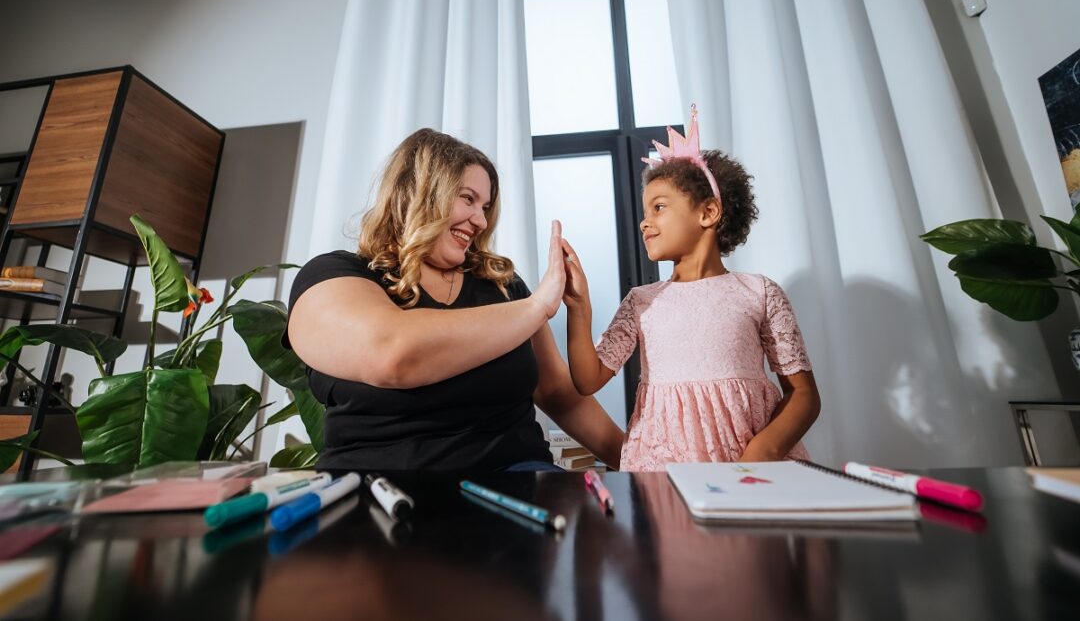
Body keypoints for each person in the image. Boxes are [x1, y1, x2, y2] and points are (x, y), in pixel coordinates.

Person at [286, 128, 623, 471]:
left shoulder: (505, 287)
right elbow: (392, 353)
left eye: (486, 206)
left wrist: (640, 462)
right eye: (467, 199)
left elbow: (559, 395)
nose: (480, 221)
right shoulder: (334, 275)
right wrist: (538, 306)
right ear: (418, 193)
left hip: (515, 484)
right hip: (378, 492)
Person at [562, 106, 820, 471]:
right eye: (645, 211)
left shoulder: (759, 293)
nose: (644, 222)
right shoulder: (641, 302)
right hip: (665, 471)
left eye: (659, 207)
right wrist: (578, 308)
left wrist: (761, 454)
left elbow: (804, 395)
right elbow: (587, 379)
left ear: (708, 212)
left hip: (752, 471)